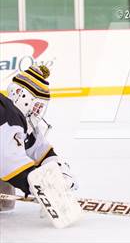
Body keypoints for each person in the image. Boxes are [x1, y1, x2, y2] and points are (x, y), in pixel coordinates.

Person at [0, 65, 78, 208]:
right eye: (37, 106)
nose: (38, 111)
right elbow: (8, 160)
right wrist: (40, 186)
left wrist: (59, 172)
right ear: (20, 94)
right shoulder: (8, 115)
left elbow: (40, 150)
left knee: (5, 201)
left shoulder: (18, 121)